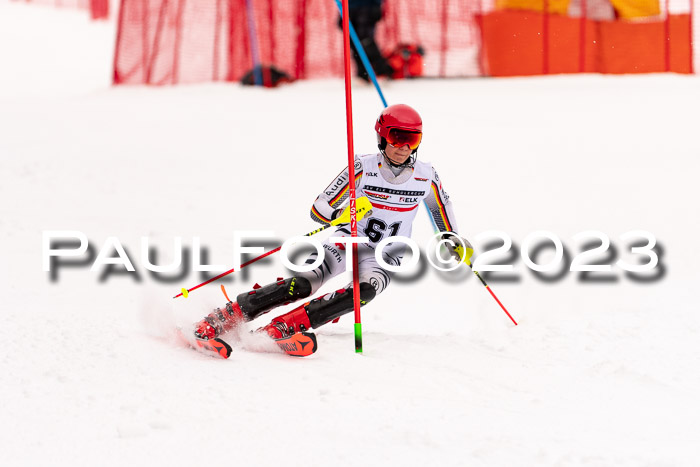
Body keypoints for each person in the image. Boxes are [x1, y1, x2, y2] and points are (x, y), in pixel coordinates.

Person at [193, 104, 472, 341]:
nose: (403, 147)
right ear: (382, 136)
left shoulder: (426, 175)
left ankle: (285, 327)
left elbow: (440, 208)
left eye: (411, 139)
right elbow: (319, 209)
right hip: (347, 239)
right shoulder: (362, 167)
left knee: (363, 293)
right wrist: (342, 215)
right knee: (304, 284)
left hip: (389, 254)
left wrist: (451, 239)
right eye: (396, 137)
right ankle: (228, 316)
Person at [339, 0, 394, 82]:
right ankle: (362, 74)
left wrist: (376, 5)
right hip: (349, 6)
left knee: (365, 39)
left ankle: (382, 71)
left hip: (367, 5)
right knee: (353, 40)